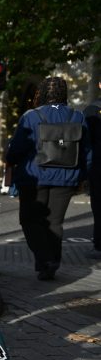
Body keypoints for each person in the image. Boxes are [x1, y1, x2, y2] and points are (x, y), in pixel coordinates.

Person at [6, 77, 92, 280]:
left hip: (34, 177)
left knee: (29, 220)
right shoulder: (77, 116)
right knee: (55, 222)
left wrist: (10, 159)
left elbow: (17, 148)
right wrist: (82, 176)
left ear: (43, 93)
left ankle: (45, 259)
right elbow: (87, 152)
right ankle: (48, 265)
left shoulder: (31, 116)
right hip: (66, 177)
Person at [83, 79, 101, 259]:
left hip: (98, 165)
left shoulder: (91, 110)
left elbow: (85, 143)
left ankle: (99, 244)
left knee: (98, 206)